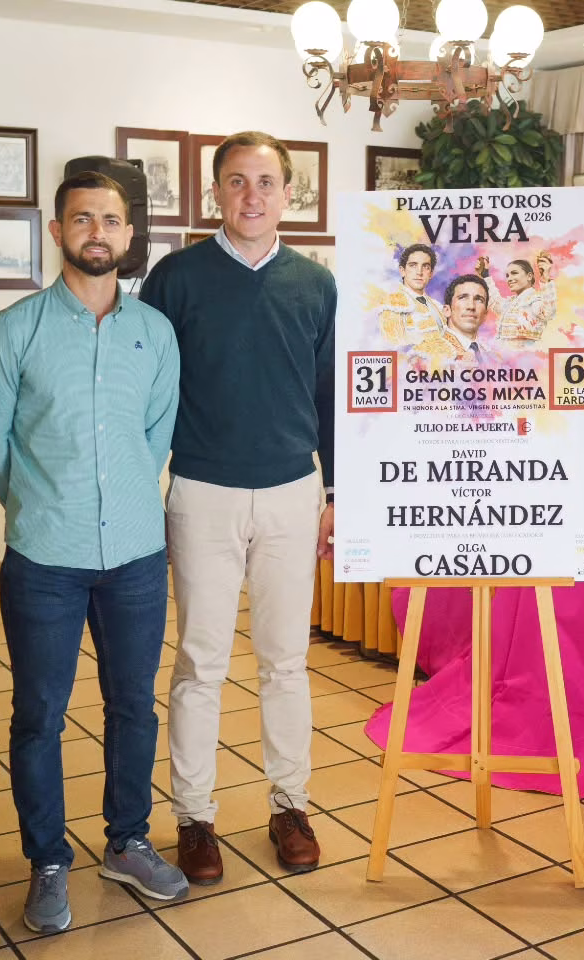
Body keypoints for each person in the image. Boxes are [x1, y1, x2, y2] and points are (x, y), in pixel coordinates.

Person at [0, 172, 186, 933]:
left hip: (133, 555)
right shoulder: (11, 331)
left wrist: (117, 500)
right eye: (82, 218)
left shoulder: (154, 334)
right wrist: (42, 505)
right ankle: (47, 860)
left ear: (129, 237)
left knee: (133, 706)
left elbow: (154, 438)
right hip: (44, 561)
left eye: (113, 220)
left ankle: (126, 841)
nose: (98, 231)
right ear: (56, 231)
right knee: (39, 714)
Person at [140, 131, 335, 884]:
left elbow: (328, 397)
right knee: (200, 663)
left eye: (265, 181)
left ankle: (290, 803)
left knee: (286, 662)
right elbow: (150, 388)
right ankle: (195, 816)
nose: (251, 194)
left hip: (292, 492)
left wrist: (333, 493)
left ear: (289, 193)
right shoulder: (177, 278)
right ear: (215, 192)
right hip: (202, 492)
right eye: (236, 181)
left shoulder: (315, 284)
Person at [412, 273, 492, 368]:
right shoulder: (425, 354)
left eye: (479, 300)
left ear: (485, 315)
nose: (471, 306)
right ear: (447, 310)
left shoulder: (491, 355)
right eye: (463, 298)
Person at [475, 253, 556, 345]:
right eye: (507, 276)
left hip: (526, 356)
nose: (509, 279)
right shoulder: (511, 302)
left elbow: (548, 312)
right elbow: (495, 302)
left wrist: (545, 279)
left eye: (514, 273)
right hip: (506, 356)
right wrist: (485, 275)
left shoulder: (535, 300)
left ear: (529, 276)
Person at [378, 242, 445, 346]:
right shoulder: (392, 305)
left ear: (431, 273)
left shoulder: (437, 306)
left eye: (425, 266)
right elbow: (393, 347)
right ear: (402, 271)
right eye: (413, 265)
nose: (419, 272)